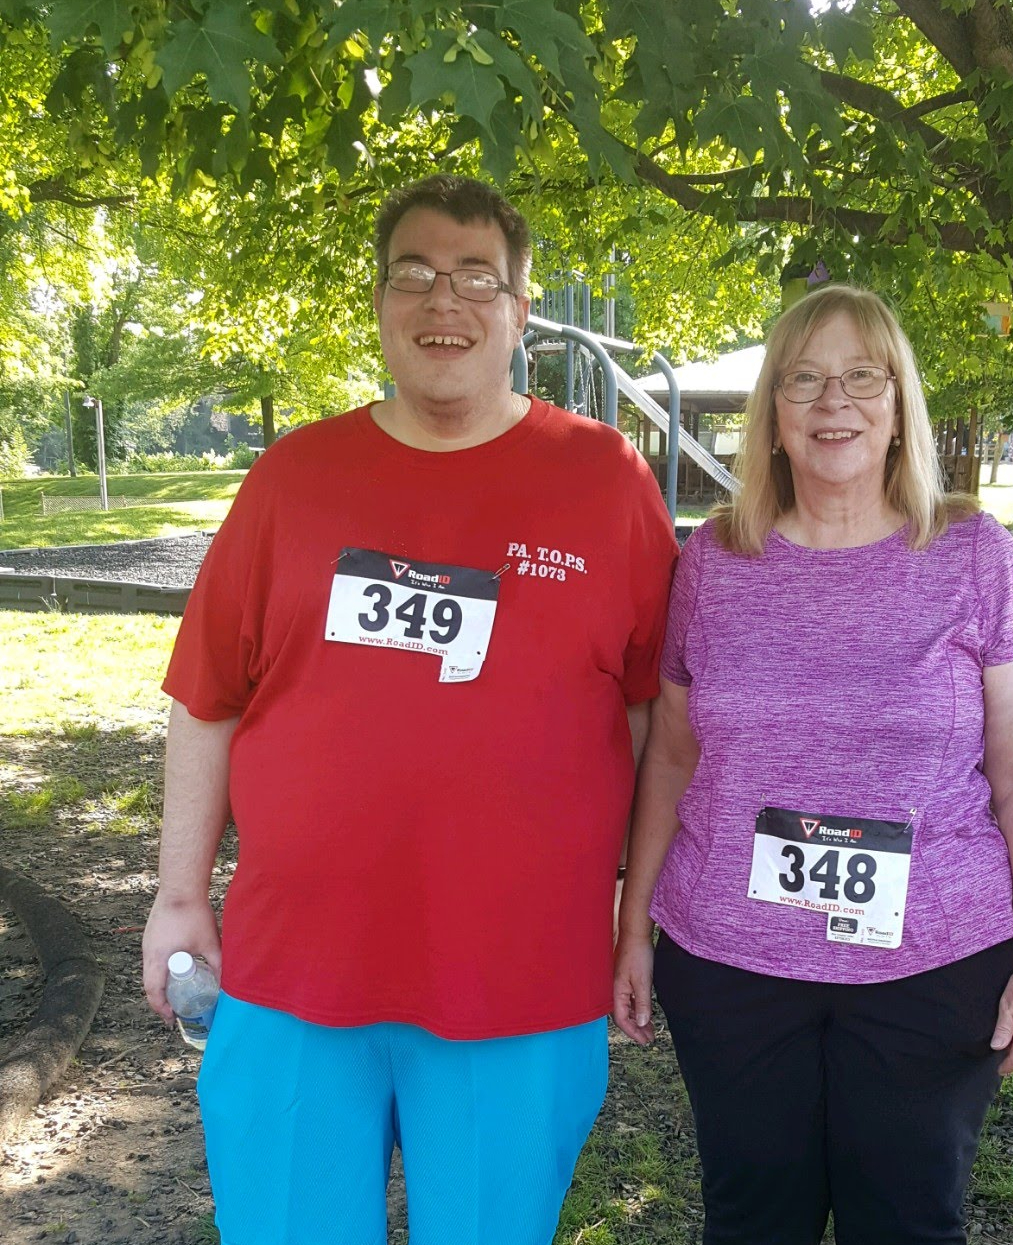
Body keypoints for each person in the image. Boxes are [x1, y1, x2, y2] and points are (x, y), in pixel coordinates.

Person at [141, 174, 678, 1245]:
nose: (445, 302)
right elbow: (207, 700)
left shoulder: (603, 479)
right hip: (297, 968)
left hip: (519, 979)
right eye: (415, 274)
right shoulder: (294, 477)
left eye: (477, 277)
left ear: (521, 311)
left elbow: (655, 718)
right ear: (381, 303)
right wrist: (179, 895)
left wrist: (632, 914)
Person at [613, 284, 1013, 1245]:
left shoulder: (976, 557)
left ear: (900, 407)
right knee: (752, 1222)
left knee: (907, 1223)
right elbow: (672, 754)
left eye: (863, 376)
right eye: (804, 380)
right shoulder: (714, 562)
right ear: (773, 417)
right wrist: (634, 929)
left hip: (932, 965)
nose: (834, 402)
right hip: (731, 964)